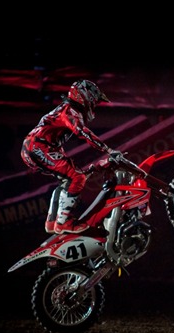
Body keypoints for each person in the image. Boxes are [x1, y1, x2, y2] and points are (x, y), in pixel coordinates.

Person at [21, 79, 120, 234]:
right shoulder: (70, 110)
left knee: (70, 179)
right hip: (38, 146)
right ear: (86, 96)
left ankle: (53, 221)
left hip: (36, 146)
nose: (94, 105)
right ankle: (64, 223)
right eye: (94, 100)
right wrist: (108, 150)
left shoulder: (67, 109)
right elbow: (82, 132)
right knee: (77, 177)